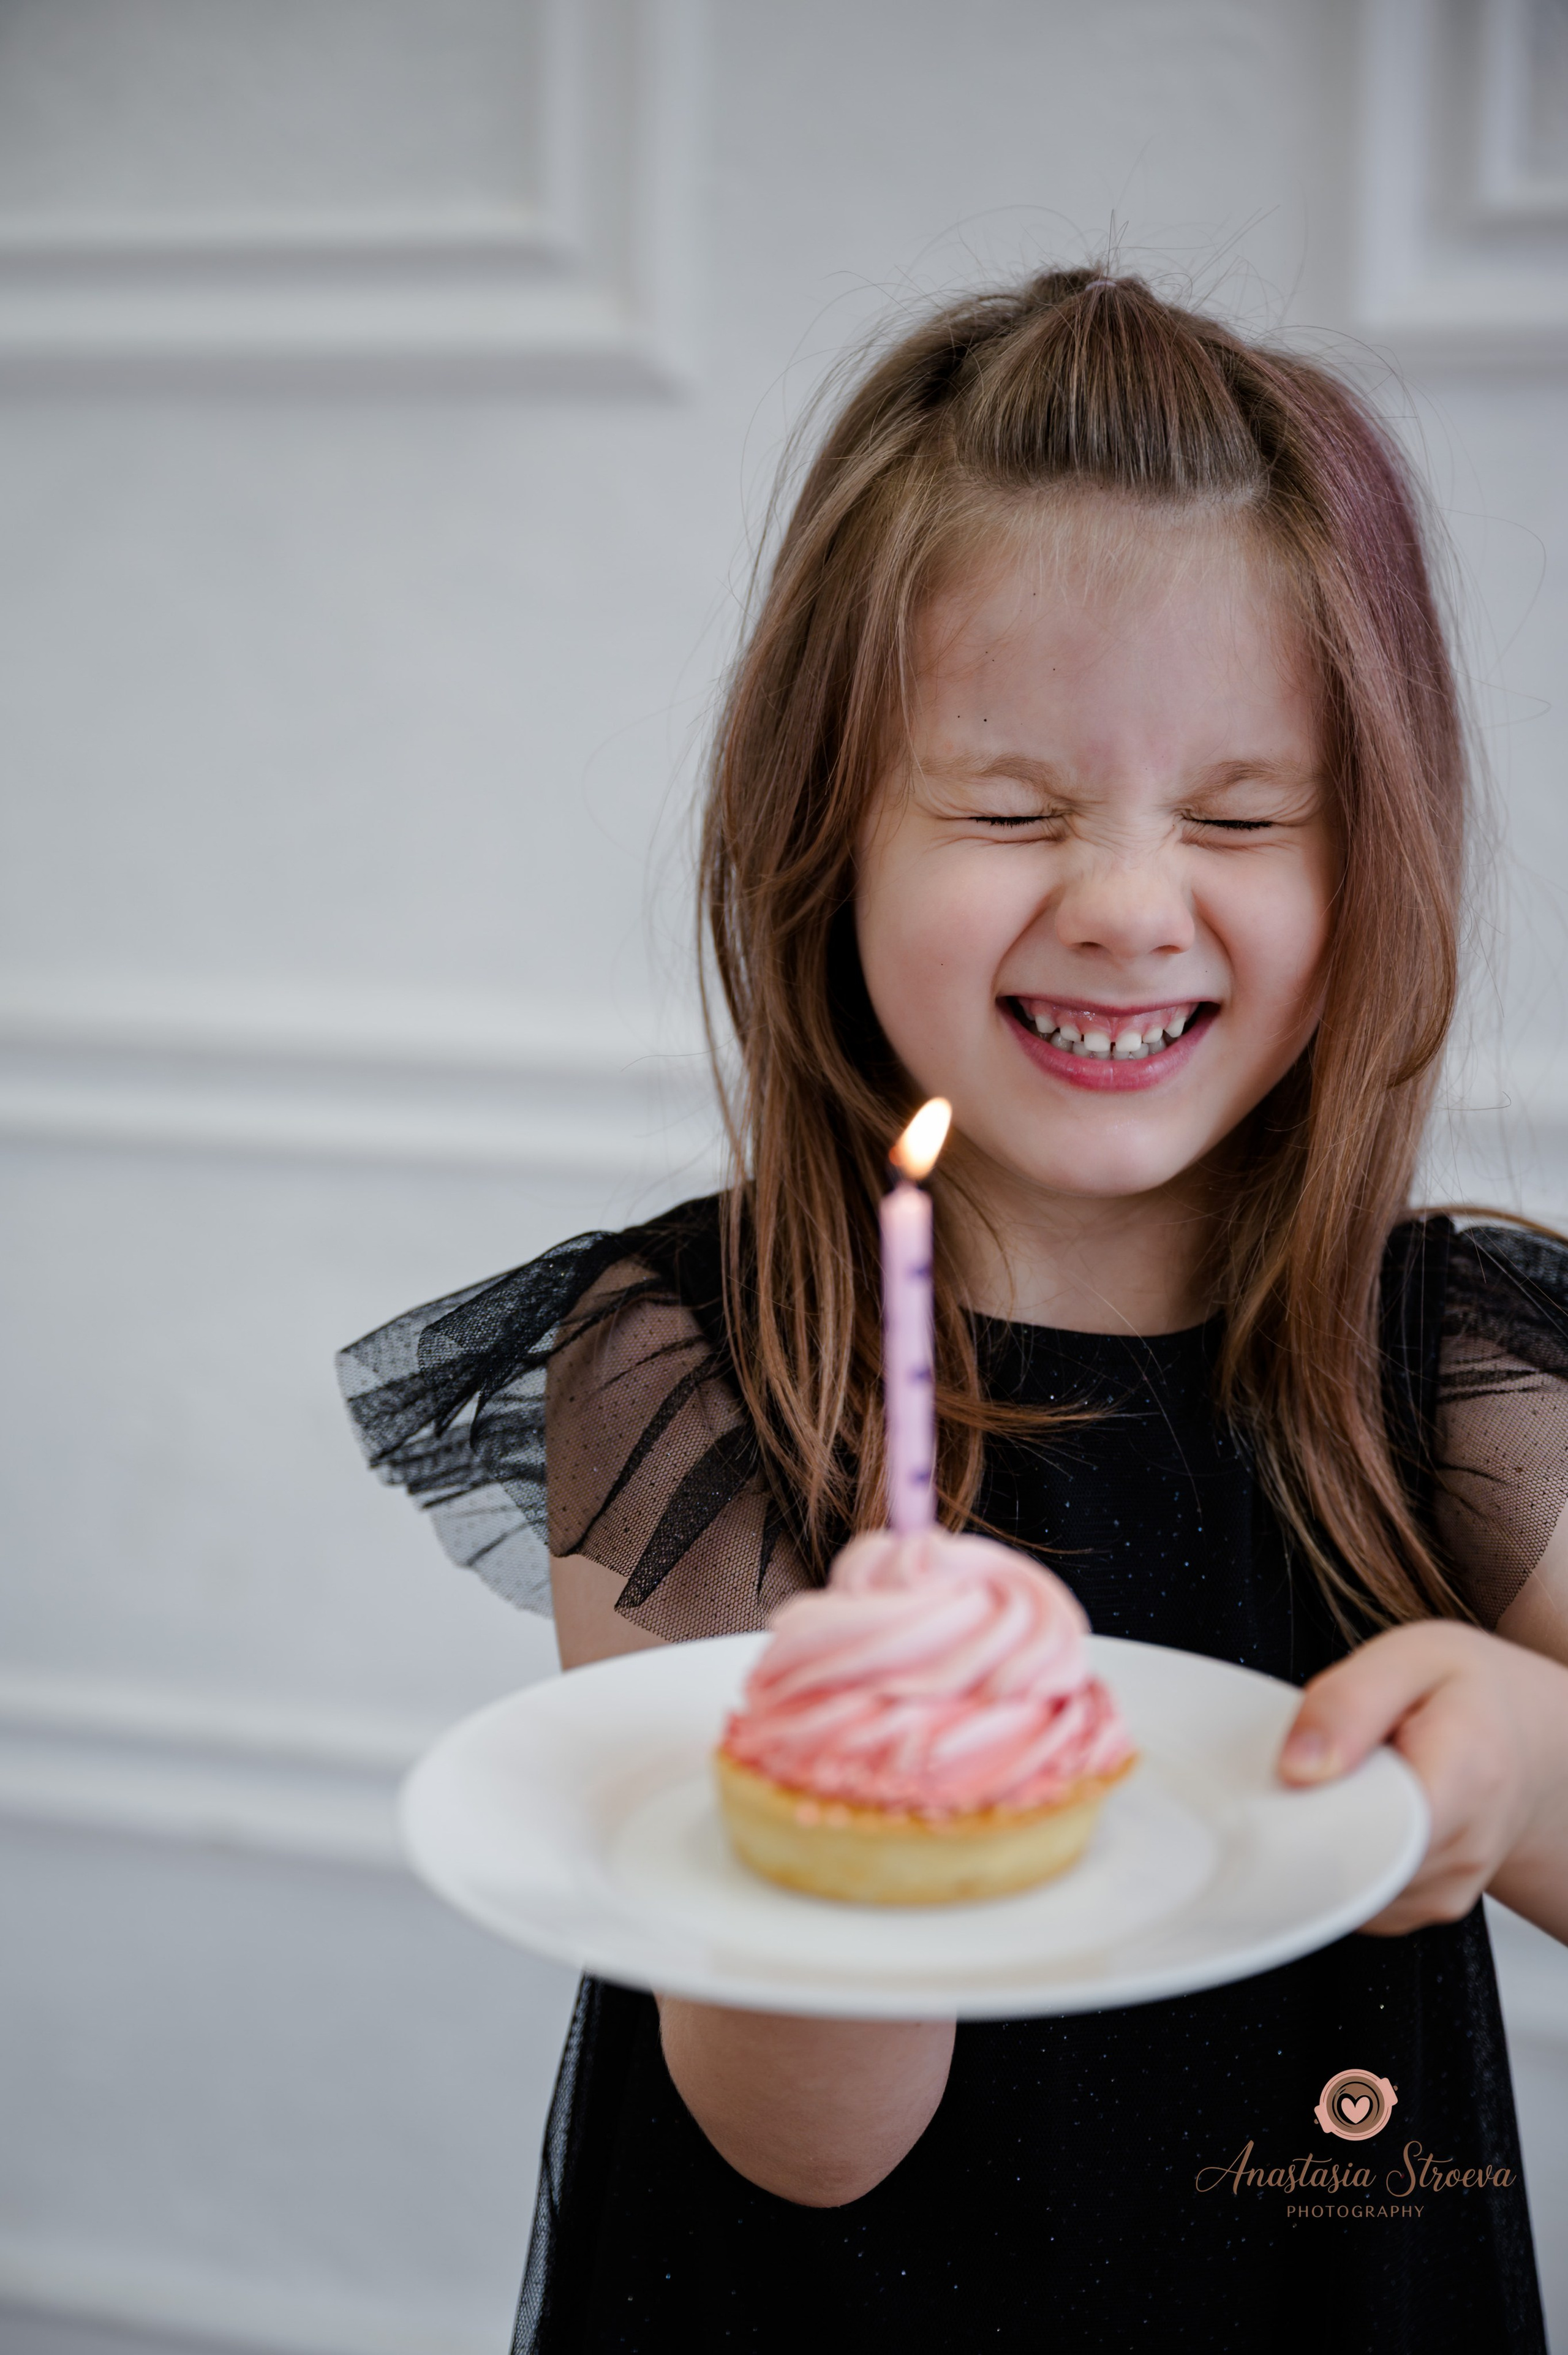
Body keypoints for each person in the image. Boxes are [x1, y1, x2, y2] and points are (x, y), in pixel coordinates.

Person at [337, 269, 1568, 2351]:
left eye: (1243, 815)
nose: (1123, 896)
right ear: (828, 833)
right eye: (1009, 809)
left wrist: (1521, 1768)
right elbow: (811, 2137)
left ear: (1377, 853)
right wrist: (860, 1770)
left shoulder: (1453, 1361)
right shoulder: (688, 1370)